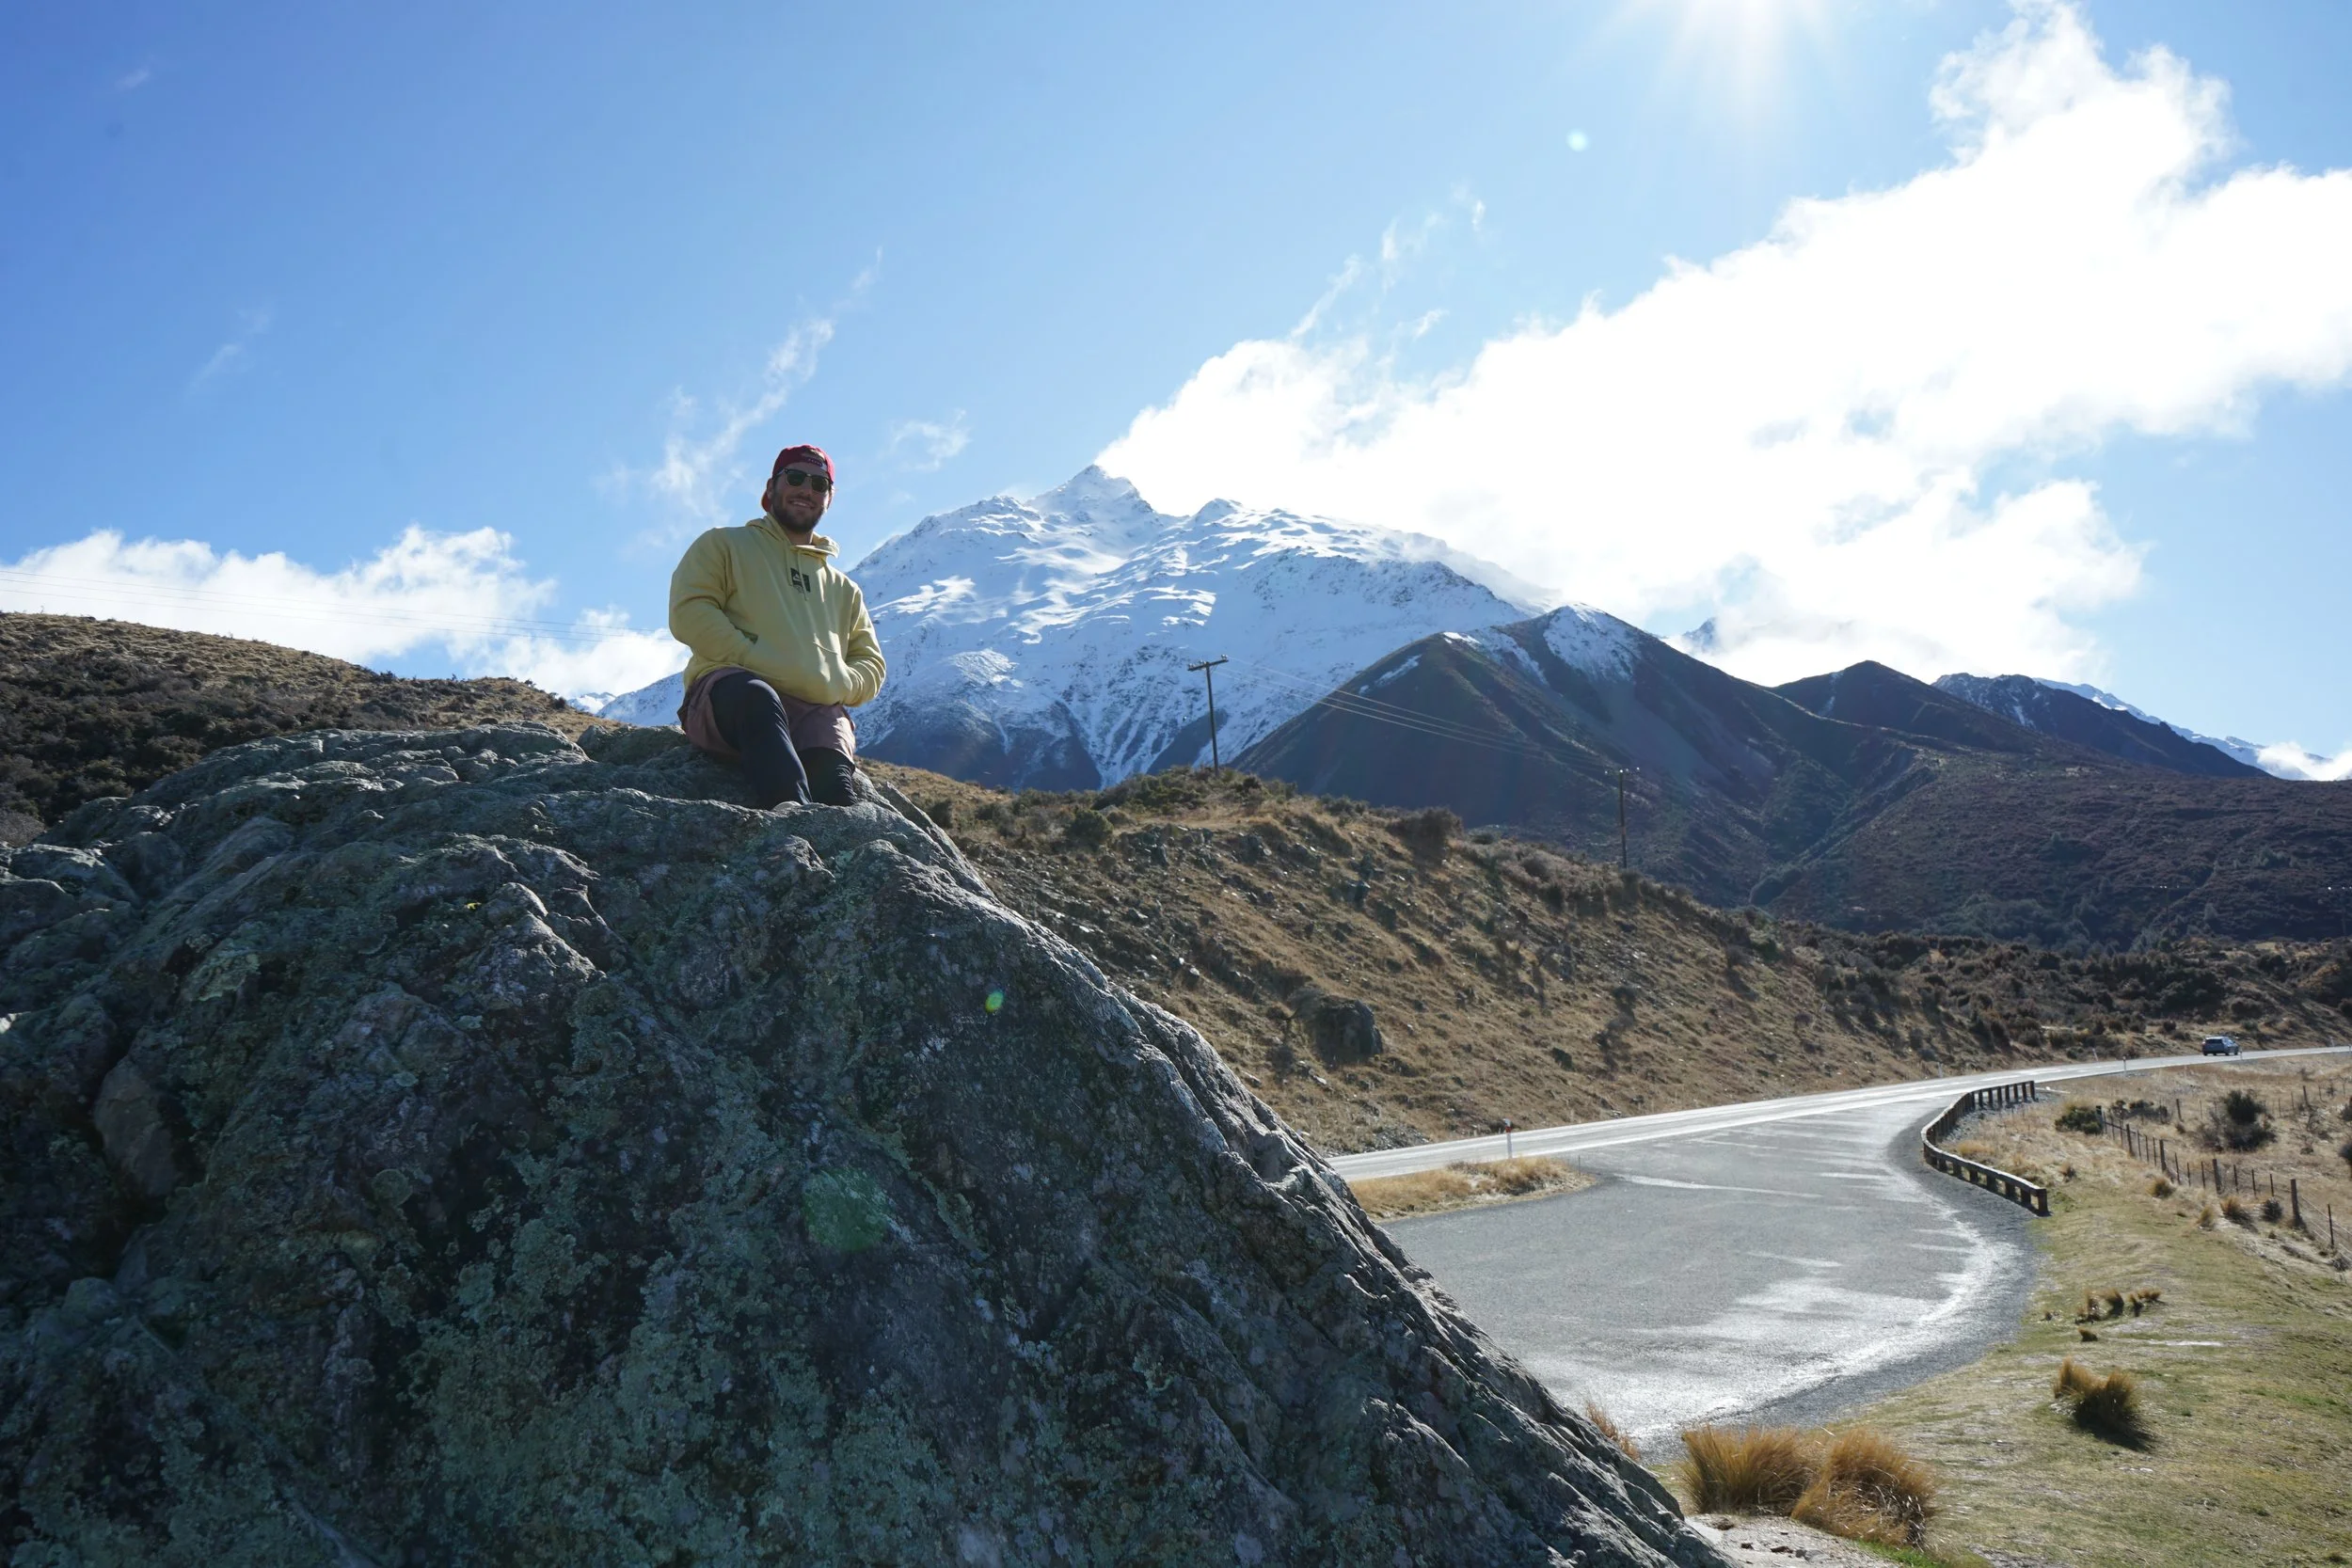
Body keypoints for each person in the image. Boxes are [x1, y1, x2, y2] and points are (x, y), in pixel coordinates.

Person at [668, 443, 885, 807]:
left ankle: (831, 844)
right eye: (796, 478)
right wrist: (751, 656)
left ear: (829, 499)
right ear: (771, 489)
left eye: (820, 485)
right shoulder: (724, 544)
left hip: (814, 708)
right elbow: (690, 611)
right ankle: (789, 818)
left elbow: (871, 662)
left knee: (835, 789)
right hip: (732, 695)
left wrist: (835, 683)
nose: (807, 490)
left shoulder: (844, 589)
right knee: (758, 697)